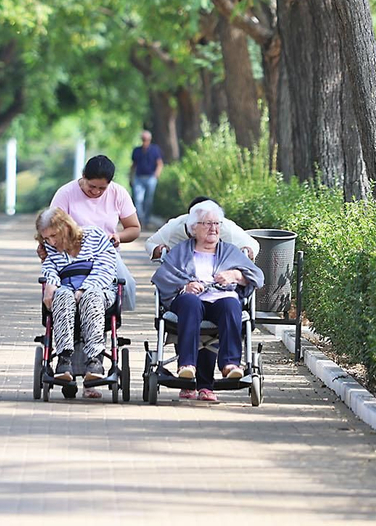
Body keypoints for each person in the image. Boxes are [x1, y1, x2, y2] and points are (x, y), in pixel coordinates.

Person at [151, 200, 264, 402]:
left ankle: (230, 364)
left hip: (221, 300)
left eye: (217, 223)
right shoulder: (181, 251)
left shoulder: (230, 251)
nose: (213, 228)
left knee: (231, 304)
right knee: (190, 302)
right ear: (194, 228)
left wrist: (235, 275)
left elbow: (257, 276)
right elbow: (162, 277)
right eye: (207, 223)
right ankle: (187, 365)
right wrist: (184, 286)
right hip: (189, 302)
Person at [36, 207, 119, 387]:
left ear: (65, 227)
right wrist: (50, 284)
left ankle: (94, 360)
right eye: (46, 238)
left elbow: (105, 268)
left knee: (91, 296)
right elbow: (50, 269)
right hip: (68, 290)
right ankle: (64, 359)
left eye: (54, 235)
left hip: (99, 289)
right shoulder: (52, 249)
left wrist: (83, 289)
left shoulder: (94, 236)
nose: (51, 241)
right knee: (62, 295)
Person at [47, 154, 141, 309]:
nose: (96, 192)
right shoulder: (65, 194)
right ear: (83, 176)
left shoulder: (118, 193)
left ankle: (110, 316)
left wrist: (118, 236)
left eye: (102, 189)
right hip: (73, 255)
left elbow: (134, 228)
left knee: (127, 284)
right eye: (92, 186)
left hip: (106, 255)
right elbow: (52, 229)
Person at [145, 195, 258, 260]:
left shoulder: (226, 228)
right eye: (206, 223)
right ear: (192, 223)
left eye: (214, 222)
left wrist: (248, 250)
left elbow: (253, 244)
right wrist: (157, 250)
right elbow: (150, 243)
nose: (212, 228)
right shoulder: (175, 226)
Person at [130, 129, 163, 222]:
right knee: (138, 199)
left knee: (148, 200)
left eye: (146, 139)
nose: (145, 141)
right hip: (139, 178)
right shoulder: (136, 150)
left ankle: (146, 219)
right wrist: (131, 177)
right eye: (143, 139)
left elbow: (159, 163)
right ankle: (140, 218)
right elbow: (133, 165)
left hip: (150, 178)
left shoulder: (155, 150)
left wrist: (156, 175)